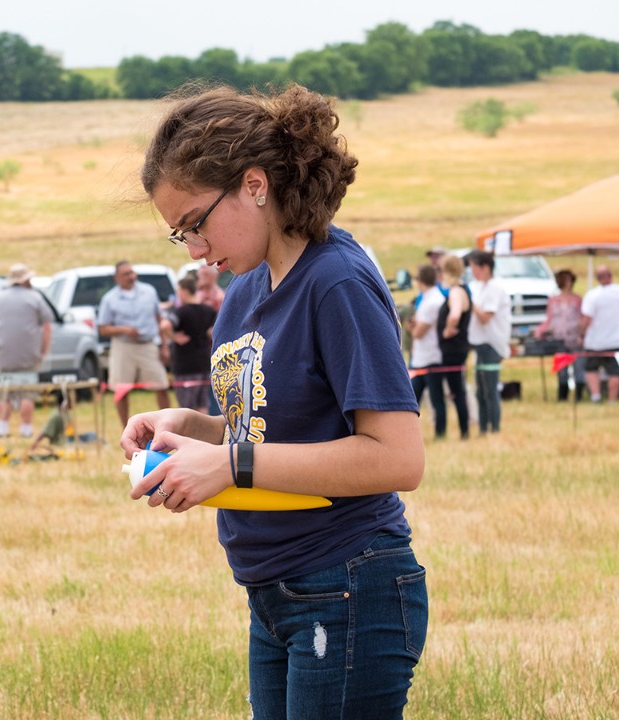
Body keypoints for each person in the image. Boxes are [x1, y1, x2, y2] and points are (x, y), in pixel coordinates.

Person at [126, 84, 426, 719]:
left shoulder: (335, 280)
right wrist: (190, 428)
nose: (198, 251)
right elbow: (265, 429)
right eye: (180, 237)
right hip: (276, 592)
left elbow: (396, 457)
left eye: (195, 224)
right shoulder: (244, 290)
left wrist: (230, 465)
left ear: (254, 184)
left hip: (346, 582)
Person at [98, 260, 172, 427]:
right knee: (121, 388)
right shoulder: (109, 299)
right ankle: (126, 427)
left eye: (132, 272)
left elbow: (159, 319)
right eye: (126, 274)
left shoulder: (148, 291)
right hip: (123, 346)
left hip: (148, 344)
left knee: (161, 384)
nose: (131, 277)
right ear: (117, 278)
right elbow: (103, 328)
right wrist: (123, 330)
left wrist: (164, 346)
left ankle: (167, 424)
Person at [0, 263, 53, 438]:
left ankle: (2, 428)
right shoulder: (34, 297)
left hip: (4, 353)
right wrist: (44, 349)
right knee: (27, 392)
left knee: (5, 392)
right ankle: (26, 429)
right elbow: (47, 325)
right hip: (28, 353)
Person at [580, 264, 619, 403]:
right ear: (610, 276)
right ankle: (612, 400)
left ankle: (596, 396)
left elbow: (586, 319)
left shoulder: (592, 295)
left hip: (596, 342)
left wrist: (581, 334)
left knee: (592, 369)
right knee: (614, 372)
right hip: (617, 341)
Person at [467, 251, 511, 434]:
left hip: (492, 344)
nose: (472, 272)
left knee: (490, 390)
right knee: (480, 392)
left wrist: (469, 303)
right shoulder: (478, 287)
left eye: (474, 268)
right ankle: (483, 428)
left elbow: (485, 317)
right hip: (480, 344)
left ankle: (494, 427)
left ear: (485, 267)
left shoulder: (495, 289)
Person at [408, 265, 450, 437]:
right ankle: (409, 434)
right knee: (415, 401)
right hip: (424, 357)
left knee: (435, 399)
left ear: (420, 280)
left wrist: (411, 327)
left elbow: (418, 331)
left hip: (430, 357)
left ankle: (440, 433)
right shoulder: (430, 298)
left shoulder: (432, 301)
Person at [533, 268, 584, 401]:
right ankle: (562, 396)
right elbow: (549, 319)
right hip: (559, 339)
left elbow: (583, 318)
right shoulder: (553, 300)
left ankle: (579, 396)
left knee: (579, 368)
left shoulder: (577, 299)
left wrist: (582, 335)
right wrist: (540, 331)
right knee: (562, 370)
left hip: (575, 338)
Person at [169, 275, 217, 413]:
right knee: (203, 406)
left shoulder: (181, 312)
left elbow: (165, 325)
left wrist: (173, 337)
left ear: (184, 291)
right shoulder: (208, 310)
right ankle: (203, 435)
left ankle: (188, 435)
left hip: (186, 366)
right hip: (204, 362)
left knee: (186, 409)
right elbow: (214, 331)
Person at [436, 254, 471, 439]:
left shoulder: (456, 292)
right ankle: (464, 430)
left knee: (457, 392)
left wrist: (448, 330)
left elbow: (455, 314)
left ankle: (464, 431)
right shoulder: (462, 289)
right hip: (456, 350)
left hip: (453, 351)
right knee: (457, 392)